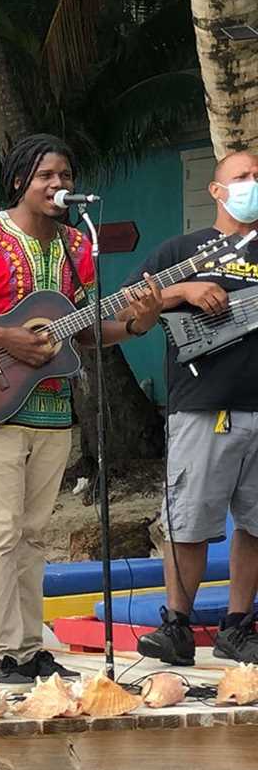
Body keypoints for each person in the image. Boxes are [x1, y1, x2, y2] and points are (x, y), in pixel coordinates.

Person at [0, 135, 161, 684]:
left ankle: (28, 648)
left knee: (33, 534)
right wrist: (5, 338)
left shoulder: (76, 247)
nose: (59, 184)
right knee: (0, 531)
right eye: (47, 174)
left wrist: (138, 322)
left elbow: (85, 330)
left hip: (52, 411)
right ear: (20, 180)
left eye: (66, 174)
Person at [134, 148, 258, 666]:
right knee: (188, 521)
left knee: (256, 524)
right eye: (242, 176)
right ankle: (178, 627)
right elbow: (129, 306)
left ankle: (237, 625)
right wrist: (184, 288)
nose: (252, 183)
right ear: (215, 189)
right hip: (204, 404)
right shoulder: (182, 249)